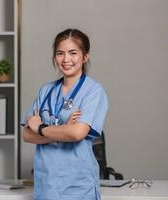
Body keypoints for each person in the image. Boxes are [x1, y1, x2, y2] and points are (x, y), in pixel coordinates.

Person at [21, 28, 108, 200]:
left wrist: (40, 127)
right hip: (46, 186)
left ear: (85, 57)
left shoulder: (93, 91)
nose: (66, 59)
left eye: (73, 53)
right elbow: (26, 135)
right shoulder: (45, 91)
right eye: (60, 53)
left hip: (78, 188)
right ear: (55, 57)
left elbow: (77, 133)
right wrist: (61, 130)